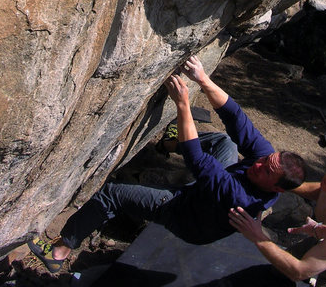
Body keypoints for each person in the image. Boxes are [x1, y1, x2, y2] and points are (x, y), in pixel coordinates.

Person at [28, 55, 306, 272]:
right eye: (264, 161)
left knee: (112, 194)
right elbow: (237, 119)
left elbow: (197, 160)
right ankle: (168, 144)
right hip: (208, 191)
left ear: (278, 190)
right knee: (228, 143)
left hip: (187, 216)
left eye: (265, 171)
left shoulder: (243, 200)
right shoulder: (267, 159)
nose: (257, 165)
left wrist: (183, 104)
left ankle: (60, 251)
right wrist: (203, 80)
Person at [228, 149, 326, 286]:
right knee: (276, 269)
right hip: (321, 239)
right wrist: (272, 179)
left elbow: (299, 272)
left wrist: (258, 237)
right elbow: (306, 189)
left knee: (289, 268)